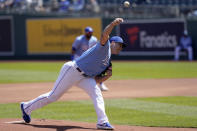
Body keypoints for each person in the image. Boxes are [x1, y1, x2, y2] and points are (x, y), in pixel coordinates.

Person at [20, 18, 125, 130]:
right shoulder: (104, 46)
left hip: (84, 77)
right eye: (120, 45)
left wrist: (105, 77)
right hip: (72, 70)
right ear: (112, 42)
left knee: (96, 93)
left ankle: (102, 122)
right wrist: (113, 24)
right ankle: (26, 107)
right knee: (53, 96)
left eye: (122, 46)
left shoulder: (108, 62)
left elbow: (97, 80)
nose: (121, 48)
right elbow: (105, 34)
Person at [71, 26, 109, 91]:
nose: (90, 33)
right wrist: (72, 59)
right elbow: (73, 49)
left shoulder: (94, 39)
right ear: (85, 32)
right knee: (73, 71)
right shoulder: (79, 39)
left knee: (97, 69)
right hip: (79, 57)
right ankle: (68, 84)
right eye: (88, 32)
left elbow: (97, 49)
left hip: (88, 57)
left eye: (91, 32)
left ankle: (101, 84)